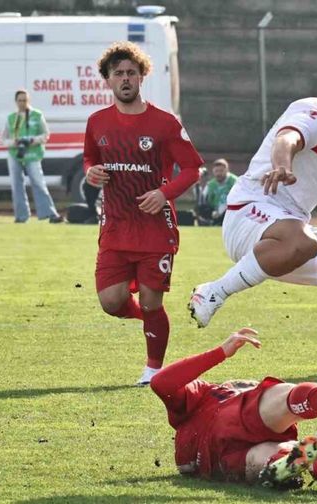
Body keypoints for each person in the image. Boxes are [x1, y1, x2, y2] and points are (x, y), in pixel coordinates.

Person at [188, 60, 317, 354]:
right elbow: (288, 139)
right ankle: (212, 293)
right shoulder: (311, 113)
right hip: (249, 214)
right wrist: (281, 166)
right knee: (302, 240)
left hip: (291, 240)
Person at [83, 42, 204, 385]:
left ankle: (153, 368)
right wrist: (91, 172)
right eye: (118, 73)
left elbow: (193, 168)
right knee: (110, 301)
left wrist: (163, 193)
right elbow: (90, 159)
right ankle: (152, 320)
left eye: (131, 73)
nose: (125, 79)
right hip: (116, 227)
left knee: (152, 302)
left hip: (154, 229)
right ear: (107, 80)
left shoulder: (164, 123)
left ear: (141, 78)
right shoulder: (97, 122)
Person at [150, 328, 317, 487]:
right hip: (236, 424)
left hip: (217, 464)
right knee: (279, 397)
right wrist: (220, 352)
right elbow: (162, 382)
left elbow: (161, 381)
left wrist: (221, 353)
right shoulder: (208, 394)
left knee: (273, 452)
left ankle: (284, 465)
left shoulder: (201, 397)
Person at [1, 90, 63, 223]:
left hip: (33, 153)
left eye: (25, 100)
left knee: (38, 181)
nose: (22, 103)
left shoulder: (36, 115)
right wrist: (15, 142)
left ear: (28, 100)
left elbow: (46, 135)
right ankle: (21, 216)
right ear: (16, 102)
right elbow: (3, 139)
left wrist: (31, 140)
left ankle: (50, 213)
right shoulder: (11, 118)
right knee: (16, 184)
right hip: (15, 153)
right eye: (20, 100)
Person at [203, 158, 237, 225]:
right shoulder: (210, 184)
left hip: (230, 210)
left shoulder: (235, 182)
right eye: (216, 171)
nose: (218, 173)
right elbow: (204, 200)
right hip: (214, 211)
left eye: (221, 171)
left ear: (227, 170)